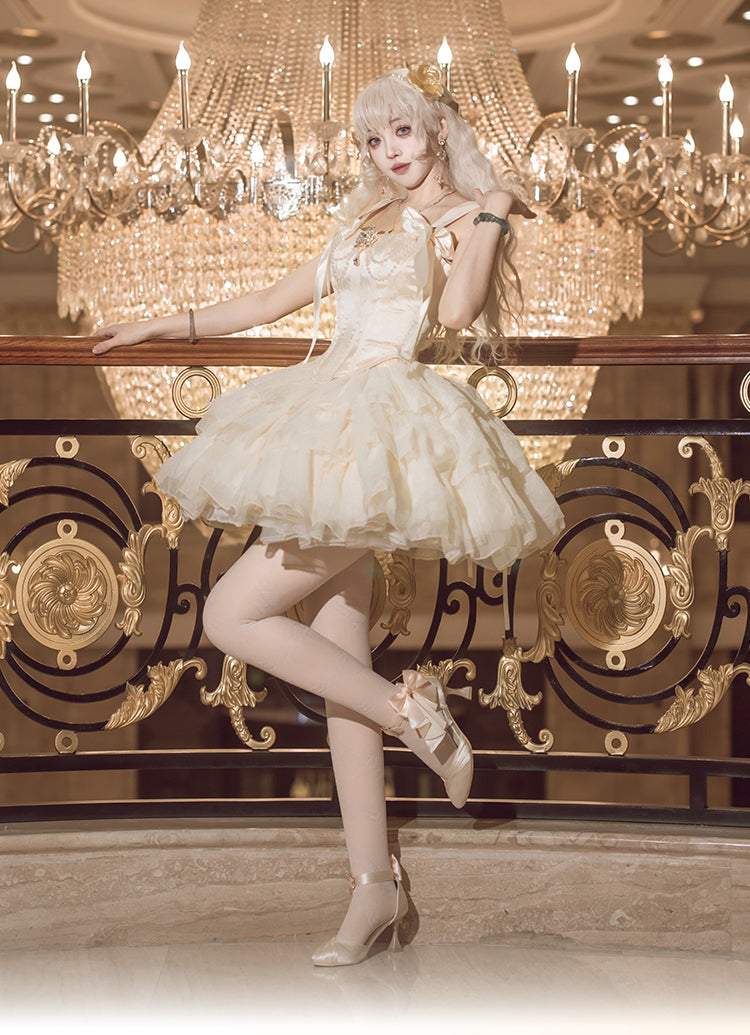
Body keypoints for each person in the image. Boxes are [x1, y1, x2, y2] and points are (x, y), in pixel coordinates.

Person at [92, 64, 564, 966]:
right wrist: (158, 326)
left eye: (402, 132)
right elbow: (271, 301)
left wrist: (494, 211)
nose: (388, 152)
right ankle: (373, 886)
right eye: (373, 139)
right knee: (340, 663)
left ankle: (415, 715)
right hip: (323, 422)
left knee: (230, 614)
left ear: (437, 131)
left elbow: (458, 310)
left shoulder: (465, 213)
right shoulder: (365, 217)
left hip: (380, 430)